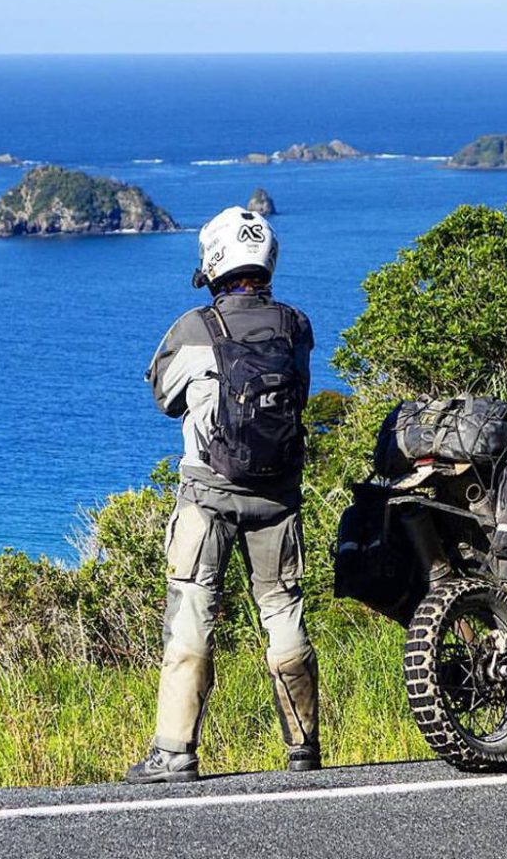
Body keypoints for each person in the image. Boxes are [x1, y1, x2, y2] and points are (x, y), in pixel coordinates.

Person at [126, 207, 320, 784]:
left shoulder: (194, 328)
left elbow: (164, 397)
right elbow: (300, 393)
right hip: (277, 496)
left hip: (207, 494)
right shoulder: (296, 326)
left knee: (192, 609)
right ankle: (303, 745)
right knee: (282, 609)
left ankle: (175, 751)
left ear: (213, 262)